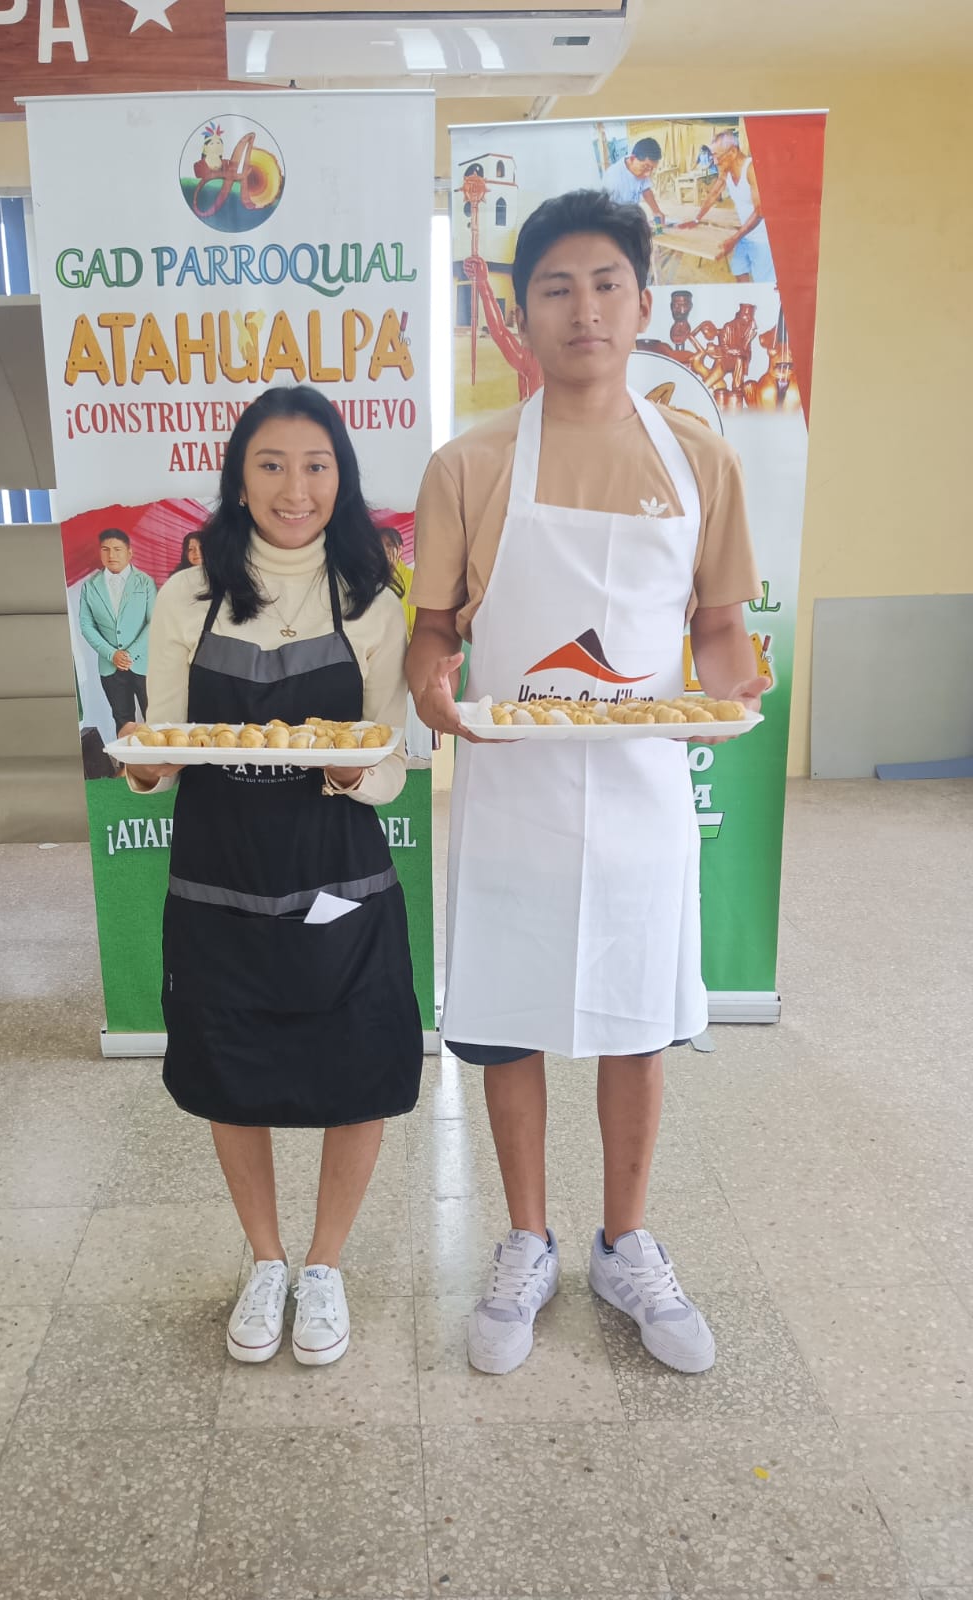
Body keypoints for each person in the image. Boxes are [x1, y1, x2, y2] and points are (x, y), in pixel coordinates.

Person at [407, 189, 765, 1379]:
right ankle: (526, 1239)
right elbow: (435, 630)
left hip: (643, 795)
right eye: (555, 288)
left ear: (643, 302)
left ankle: (625, 1240)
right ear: (519, 315)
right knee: (510, 1017)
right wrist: (434, 690)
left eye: (607, 283)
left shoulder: (700, 459)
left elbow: (718, 625)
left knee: (634, 1015)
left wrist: (735, 681)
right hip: (513, 792)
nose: (584, 309)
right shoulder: (469, 464)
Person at [123, 384, 423, 1369]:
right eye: (272, 465)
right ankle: (265, 1259)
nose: (297, 488)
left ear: (343, 477)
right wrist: (144, 764)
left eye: (316, 465)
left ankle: (324, 1265)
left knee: (359, 1061)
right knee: (230, 1064)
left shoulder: (373, 602)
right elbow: (167, 741)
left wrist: (351, 768)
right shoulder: (188, 596)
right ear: (240, 479)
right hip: (219, 870)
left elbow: (391, 763)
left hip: (339, 869)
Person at [78, 529, 158, 732]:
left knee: (155, 718)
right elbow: (86, 625)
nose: (111, 555)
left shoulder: (145, 582)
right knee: (122, 721)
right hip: (110, 666)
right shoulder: (90, 586)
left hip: (144, 663)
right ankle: (126, 755)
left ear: (129, 552)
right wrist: (111, 654)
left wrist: (130, 654)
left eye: (117, 549)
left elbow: (154, 622)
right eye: (105, 549)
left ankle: (157, 754)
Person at [684, 127, 774, 283]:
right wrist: (696, 219)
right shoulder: (726, 169)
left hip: (763, 239)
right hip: (744, 234)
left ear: (732, 152)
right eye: (713, 156)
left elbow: (760, 211)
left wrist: (734, 239)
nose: (715, 161)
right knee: (739, 270)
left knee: (763, 284)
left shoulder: (752, 170)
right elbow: (714, 194)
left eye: (717, 156)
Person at [601, 137, 666, 229]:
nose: (648, 174)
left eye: (652, 169)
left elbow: (646, 190)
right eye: (646, 167)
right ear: (632, 159)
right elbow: (607, 212)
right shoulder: (613, 179)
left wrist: (656, 211)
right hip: (616, 222)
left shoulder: (641, 169)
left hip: (631, 216)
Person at [380, 525, 416, 640]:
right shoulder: (371, 583)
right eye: (380, 546)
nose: (384, 550)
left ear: (400, 550)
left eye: (389, 545)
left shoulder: (414, 578)